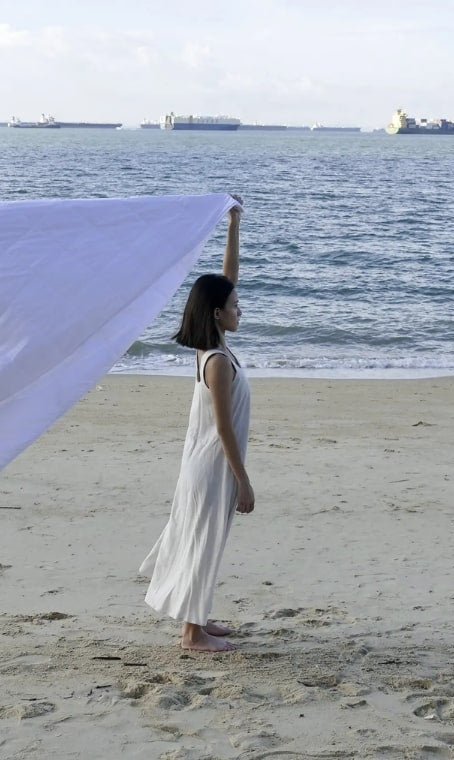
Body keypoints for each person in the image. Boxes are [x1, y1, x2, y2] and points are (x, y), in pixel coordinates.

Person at [139, 199, 254, 652]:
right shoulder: (218, 363)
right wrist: (243, 481)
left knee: (205, 541)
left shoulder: (213, 344)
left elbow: (227, 279)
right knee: (202, 542)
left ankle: (197, 620)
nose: (240, 309)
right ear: (216, 315)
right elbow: (224, 429)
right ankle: (192, 634)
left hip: (207, 465)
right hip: (213, 467)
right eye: (234, 306)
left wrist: (233, 225)